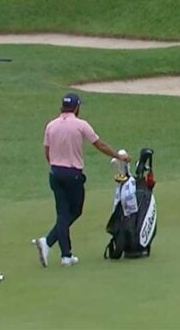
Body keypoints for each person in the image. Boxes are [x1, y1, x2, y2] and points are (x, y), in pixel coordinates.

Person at [32, 94, 129, 268]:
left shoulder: (51, 125)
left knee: (63, 213)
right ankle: (54, 248)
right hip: (73, 175)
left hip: (55, 173)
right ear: (76, 107)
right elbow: (99, 144)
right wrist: (118, 156)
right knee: (74, 211)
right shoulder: (80, 124)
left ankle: (62, 253)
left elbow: (47, 151)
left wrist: (56, 166)